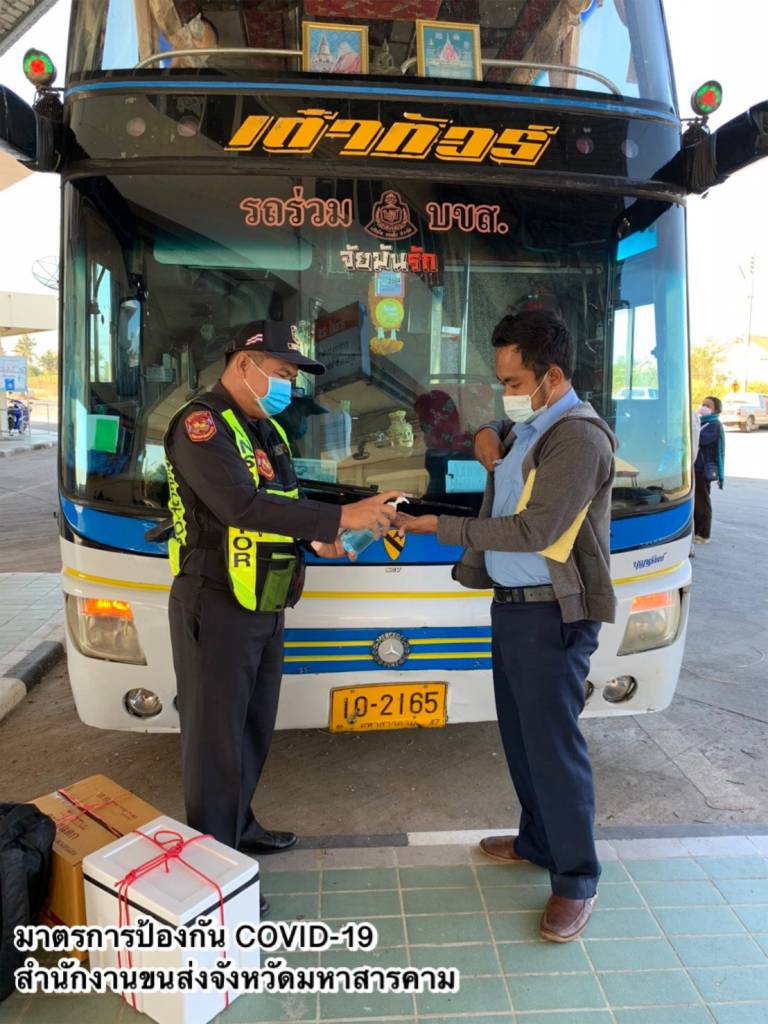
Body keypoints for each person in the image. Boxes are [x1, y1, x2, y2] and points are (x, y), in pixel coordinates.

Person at [397, 310, 617, 942]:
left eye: (514, 382)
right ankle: (537, 840)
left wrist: (437, 527)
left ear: (553, 377)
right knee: (522, 738)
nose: (506, 394)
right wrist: (491, 432)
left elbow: (535, 528)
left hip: (552, 613)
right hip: (515, 606)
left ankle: (576, 879)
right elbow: (507, 447)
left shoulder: (579, 439)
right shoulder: (534, 425)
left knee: (554, 748)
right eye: (501, 383)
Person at [164, 320, 400, 877]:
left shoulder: (264, 430)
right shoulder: (202, 425)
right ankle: (215, 876)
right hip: (215, 601)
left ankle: (238, 829)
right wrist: (340, 516)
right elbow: (241, 506)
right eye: (281, 372)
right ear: (243, 365)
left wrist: (321, 538)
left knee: (251, 728)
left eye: (292, 376)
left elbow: (283, 502)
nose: (288, 386)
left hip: (264, 599)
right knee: (215, 745)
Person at [693, 395, 725, 544]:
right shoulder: (701, 422)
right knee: (696, 501)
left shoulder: (714, 425)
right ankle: (696, 531)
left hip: (703, 468)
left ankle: (703, 534)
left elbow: (699, 439)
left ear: (716, 410)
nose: (704, 407)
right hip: (696, 467)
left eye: (708, 406)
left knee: (702, 502)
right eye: (703, 404)